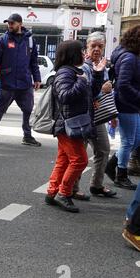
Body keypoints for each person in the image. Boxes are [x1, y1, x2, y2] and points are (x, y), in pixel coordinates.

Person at [45, 40, 105, 213]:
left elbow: (92, 93)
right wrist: (81, 82)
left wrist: (98, 74)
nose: (84, 54)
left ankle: (52, 192)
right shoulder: (65, 72)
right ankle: (63, 193)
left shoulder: (75, 71)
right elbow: (65, 96)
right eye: (81, 51)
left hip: (72, 123)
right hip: (68, 125)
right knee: (80, 160)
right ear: (72, 54)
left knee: (64, 160)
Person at [72, 32, 117, 200]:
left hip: (98, 116)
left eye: (100, 46)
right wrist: (100, 92)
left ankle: (96, 185)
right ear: (87, 48)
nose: (97, 49)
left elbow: (106, 93)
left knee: (103, 149)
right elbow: (82, 94)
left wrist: (113, 114)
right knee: (80, 154)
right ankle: (73, 188)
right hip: (83, 117)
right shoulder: (83, 66)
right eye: (93, 46)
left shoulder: (103, 66)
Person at [0, 13, 42, 147]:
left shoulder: (30, 40)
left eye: (12, 23)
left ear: (20, 24)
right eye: (8, 23)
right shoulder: (2, 40)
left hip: (25, 83)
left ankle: (27, 136)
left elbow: (34, 62)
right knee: (0, 110)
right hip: (8, 82)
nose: (9, 25)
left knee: (28, 110)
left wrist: (37, 78)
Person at [106, 25, 140, 190]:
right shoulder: (129, 58)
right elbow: (124, 84)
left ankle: (112, 165)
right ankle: (121, 174)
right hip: (127, 104)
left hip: (130, 104)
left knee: (135, 140)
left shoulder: (130, 55)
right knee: (128, 141)